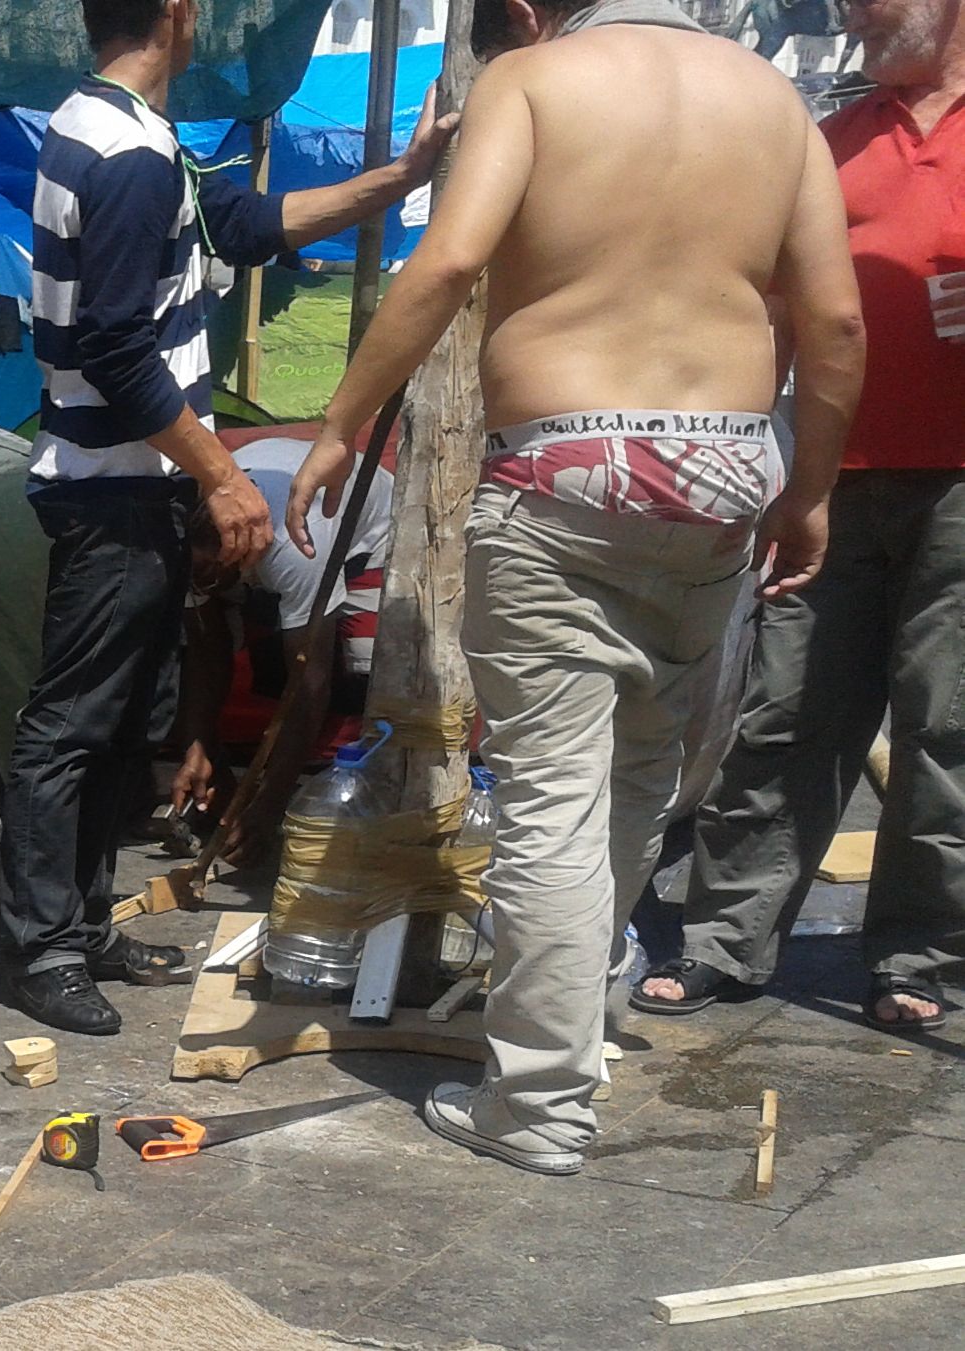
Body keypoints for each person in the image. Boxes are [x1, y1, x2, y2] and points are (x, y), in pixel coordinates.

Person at [284, 0, 866, 1175]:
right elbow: (835, 317)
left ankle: (540, 1101)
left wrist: (341, 422)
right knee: (638, 774)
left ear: (527, 9)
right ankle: (574, 1017)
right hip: (719, 472)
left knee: (551, 792)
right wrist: (808, 489)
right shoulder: (774, 101)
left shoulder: (533, 80)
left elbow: (449, 259)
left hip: (566, 463)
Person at [0, 0, 458, 1036]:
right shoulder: (125, 152)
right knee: (73, 724)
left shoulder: (125, 131)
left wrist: (400, 176)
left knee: (123, 722)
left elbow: (246, 226)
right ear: (174, 11)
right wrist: (222, 475)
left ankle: (80, 924)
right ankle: (43, 945)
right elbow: (115, 348)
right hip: (110, 484)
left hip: (128, 483)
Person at [635, 0, 965, 1034]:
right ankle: (723, 940)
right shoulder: (829, 139)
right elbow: (773, 311)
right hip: (827, 479)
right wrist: (740, 452)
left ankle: (918, 954)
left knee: (944, 726)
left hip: (959, 488)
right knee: (784, 709)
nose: (853, 11)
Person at [172, 437, 395, 865]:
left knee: (366, 672)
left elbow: (310, 684)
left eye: (207, 573)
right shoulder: (192, 550)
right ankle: (248, 794)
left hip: (369, 538)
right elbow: (206, 653)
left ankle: (351, 797)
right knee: (261, 654)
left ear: (236, 553)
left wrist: (271, 806)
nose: (199, 583)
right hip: (269, 538)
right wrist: (197, 748)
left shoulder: (296, 547)